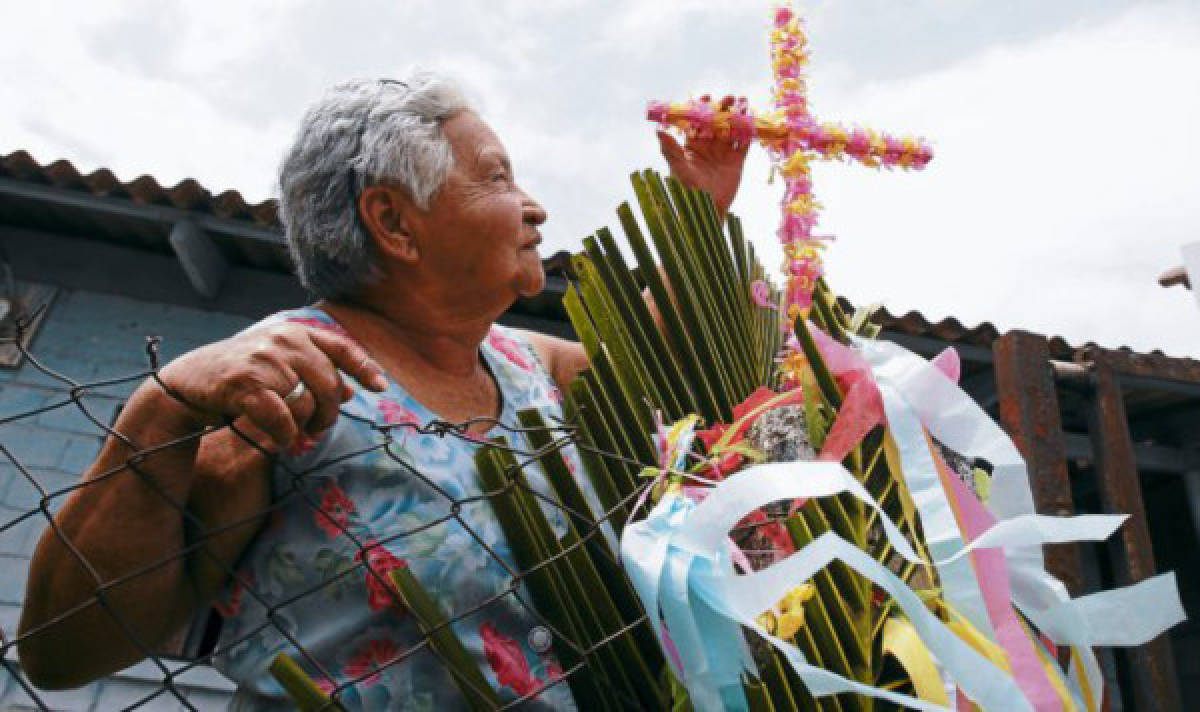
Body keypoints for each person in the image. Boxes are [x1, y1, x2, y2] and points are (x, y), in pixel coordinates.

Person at [17, 70, 748, 709]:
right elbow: (62, 653)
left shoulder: (525, 368)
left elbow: (647, 358)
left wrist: (696, 213)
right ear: (395, 222)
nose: (533, 207)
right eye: (496, 177)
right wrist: (161, 407)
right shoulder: (290, 385)